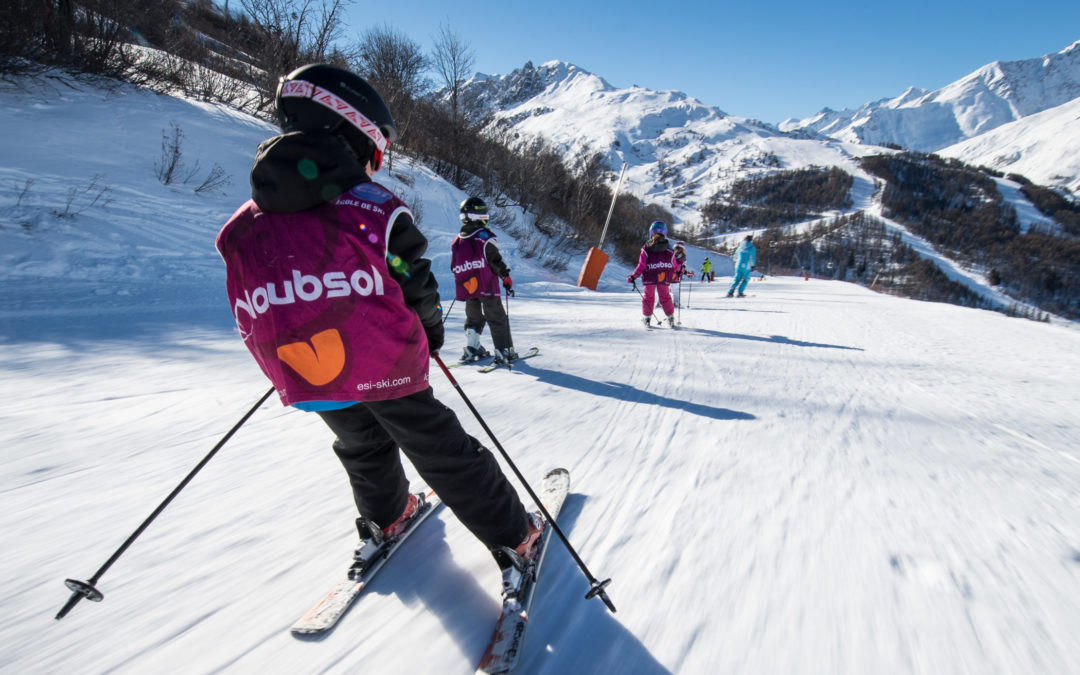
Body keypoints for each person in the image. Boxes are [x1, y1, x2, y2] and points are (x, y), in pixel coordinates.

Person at [215, 64, 542, 570]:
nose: (379, 165)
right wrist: (429, 332)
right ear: (355, 133)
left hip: (304, 366)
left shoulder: (241, 224)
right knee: (440, 449)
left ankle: (386, 517)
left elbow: (256, 293)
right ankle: (515, 536)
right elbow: (412, 281)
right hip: (383, 360)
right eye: (379, 151)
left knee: (361, 441)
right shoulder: (370, 207)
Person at [451, 197, 517, 364]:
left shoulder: (458, 240)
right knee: (496, 315)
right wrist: (505, 277)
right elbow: (494, 260)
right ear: (478, 215)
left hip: (468, 286)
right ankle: (504, 350)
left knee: (473, 317)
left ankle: (472, 348)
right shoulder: (484, 236)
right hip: (486, 283)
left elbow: (454, 265)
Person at [626, 221, 682, 328]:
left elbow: (641, 266)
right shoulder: (669, 250)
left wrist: (633, 276)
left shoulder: (646, 249)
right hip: (663, 278)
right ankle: (670, 318)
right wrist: (681, 270)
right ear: (664, 233)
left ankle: (647, 319)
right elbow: (675, 265)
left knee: (649, 297)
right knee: (665, 297)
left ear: (651, 233)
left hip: (649, 278)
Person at [672, 241, 690, 308]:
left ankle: (661, 302)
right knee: (675, 290)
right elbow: (680, 267)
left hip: (668, 274)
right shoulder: (682, 257)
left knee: (665, 289)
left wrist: (684, 271)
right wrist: (683, 271)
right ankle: (676, 303)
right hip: (675, 275)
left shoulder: (671, 254)